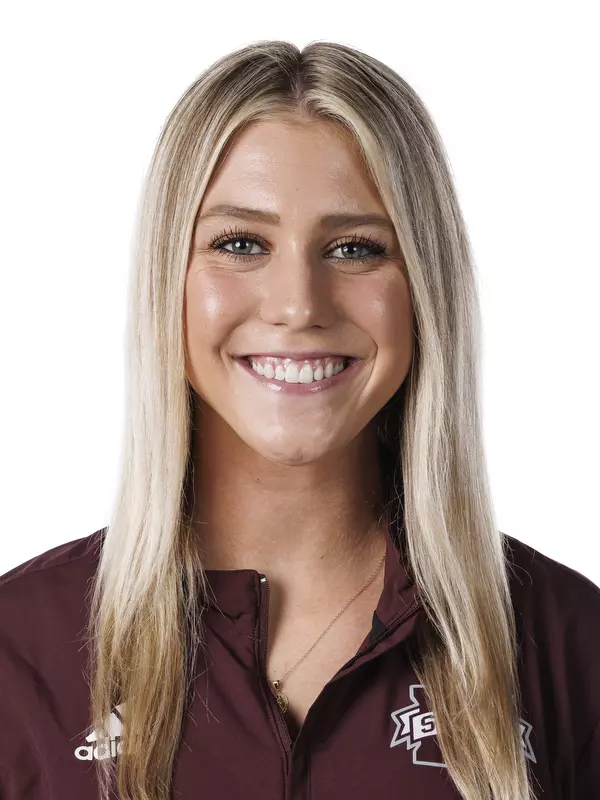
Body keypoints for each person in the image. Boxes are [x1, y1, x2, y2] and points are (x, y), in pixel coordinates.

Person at [0, 39, 599, 800]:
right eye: (240, 243)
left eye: (354, 248)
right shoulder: (17, 653)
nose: (297, 305)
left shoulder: (570, 645)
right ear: (168, 282)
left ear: (423, 288)